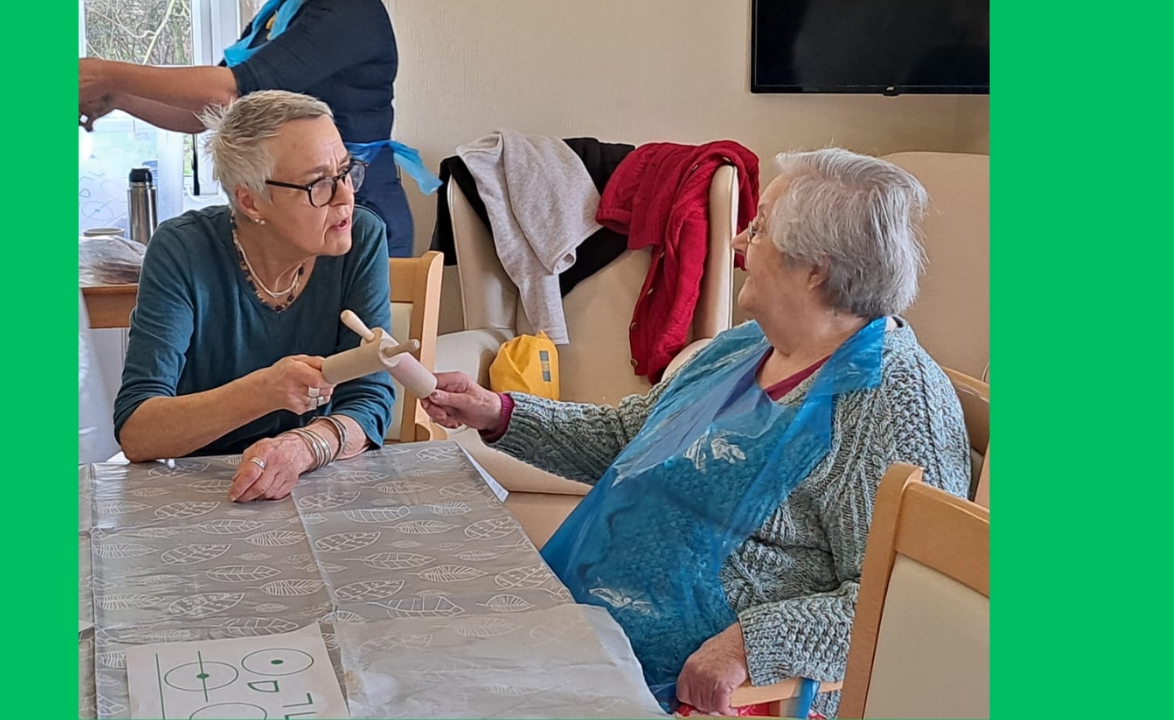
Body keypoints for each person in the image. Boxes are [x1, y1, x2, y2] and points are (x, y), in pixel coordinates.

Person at [421, 148, 971, 717]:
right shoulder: (740, 348)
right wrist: (499, 413)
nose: (736, 245)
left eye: (757, 232)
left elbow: (908, 602)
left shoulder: (895, 407)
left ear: (816, 270)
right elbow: (627, 440)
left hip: (717, 694)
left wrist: (748, 645)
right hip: (594, 633)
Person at [114, 90, 395, 505]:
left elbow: (370, 397)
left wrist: (302, 447)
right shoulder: (182, 250)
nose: (344, 197)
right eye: (318, 184)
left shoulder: (362, 238)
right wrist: (266, 389)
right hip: (206, 493)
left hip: (321, 483)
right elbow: (138, 431)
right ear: (250, 200)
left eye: (345, 171)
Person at [78, 0, 420, 257]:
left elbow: (230, 89)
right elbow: (208, 112)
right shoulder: (280, 13)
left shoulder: (348, 10)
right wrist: (117, 98)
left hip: (353, 211)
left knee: (353, 350)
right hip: (292, 216)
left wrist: (109, 74)